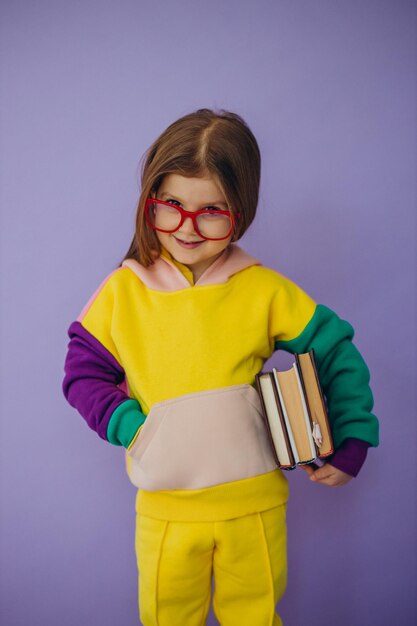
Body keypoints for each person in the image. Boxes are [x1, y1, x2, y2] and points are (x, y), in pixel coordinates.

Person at [62, 108, 379, 626]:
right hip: (165, 512)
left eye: (212, 210)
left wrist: (352, 435)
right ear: (150, 202)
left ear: (242, 210)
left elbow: (336, 349)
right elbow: (82, 375)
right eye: (171, 206)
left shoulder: (264, 289)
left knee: (256, 618)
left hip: (254, 509)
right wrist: (135, 430)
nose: (187, 227)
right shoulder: (122, 292)